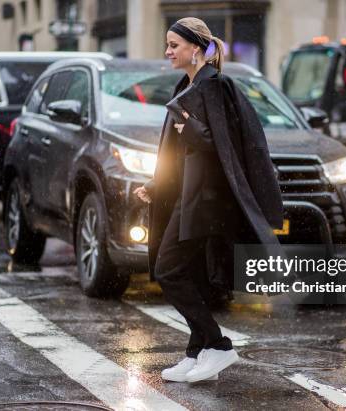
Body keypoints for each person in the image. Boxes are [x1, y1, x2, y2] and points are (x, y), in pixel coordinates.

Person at [133, 17, 284, 383]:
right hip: (190, 196)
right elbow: (181, 153)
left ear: (196, 49)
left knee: (169, 270)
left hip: (205, 201)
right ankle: (196, 352)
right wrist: (157, 186)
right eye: (167, 45)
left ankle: (218, 345)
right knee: (192, 275)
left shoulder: (214, 86)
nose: (168, 52)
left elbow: (221, 147)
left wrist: (188, 124)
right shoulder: (188, 84)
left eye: (174, 45)